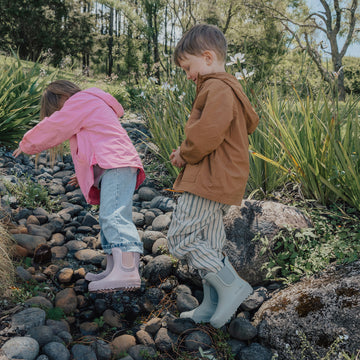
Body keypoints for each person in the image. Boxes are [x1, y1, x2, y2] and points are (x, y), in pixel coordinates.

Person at [13, 80, 145, 293]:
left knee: (115, 216)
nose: (61, 112)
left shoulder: (81, 101)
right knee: (108, 216)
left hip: (117, 164)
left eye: (57, 109)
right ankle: (114, 268)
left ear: (63, 98)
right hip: (114, 164)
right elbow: (93, 142)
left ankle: (128, 271)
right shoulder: (90, 104)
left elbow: (56, 125)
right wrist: (84, 173)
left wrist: (26, 143)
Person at [167, 24, 259, 329]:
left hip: (206, 180)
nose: (188, 75)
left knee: (181, 239)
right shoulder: (224, 88)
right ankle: (212, 304)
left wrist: (185, 152)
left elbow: (207, 134)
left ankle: (232, 285)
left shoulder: (217, 88)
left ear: (207, 58)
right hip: (217, 180)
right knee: (210, 242)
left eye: (188, 67)